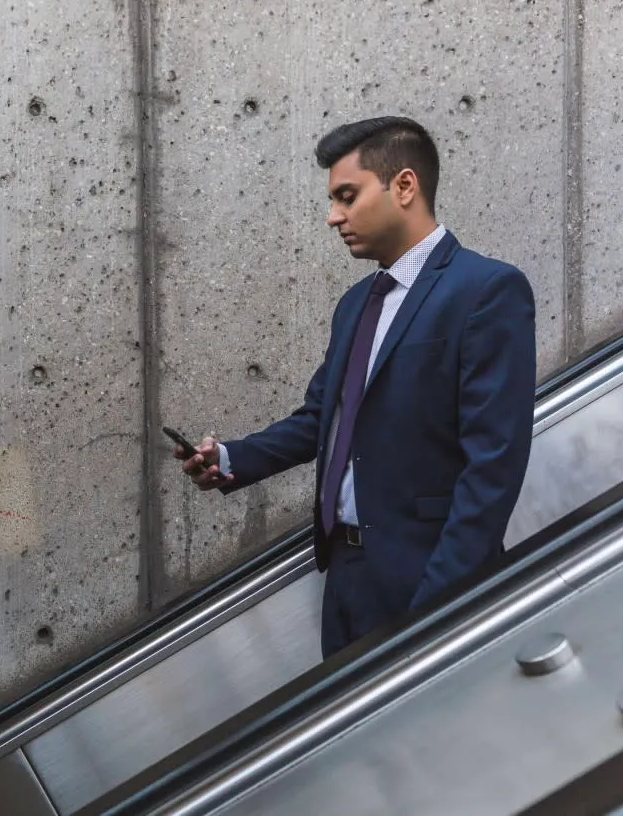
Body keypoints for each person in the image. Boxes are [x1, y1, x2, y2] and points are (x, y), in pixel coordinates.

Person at [177, 116, 536, 659]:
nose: (332, 216)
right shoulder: (356, 305)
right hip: (345, 577)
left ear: (405, 186)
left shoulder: (486, 289)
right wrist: (229, 458)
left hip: (429, 579)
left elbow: (494, 464)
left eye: (347, 195)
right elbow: (322, 417)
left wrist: (439, 602)